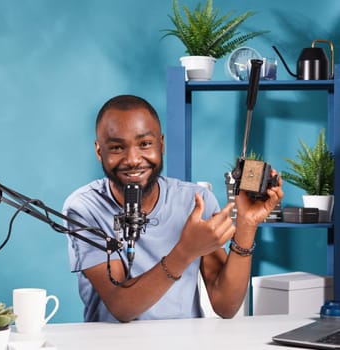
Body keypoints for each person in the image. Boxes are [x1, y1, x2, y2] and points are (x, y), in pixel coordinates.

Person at [63, 94, 284, 323]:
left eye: (145, 144)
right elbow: (122, 307)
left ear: (162, 144)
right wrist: (185, 251)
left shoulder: (195, 201)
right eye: (117, 147)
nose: (133, 159)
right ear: (100, 152)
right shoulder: (84, 208)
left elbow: (225, 305)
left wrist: (247, 227)